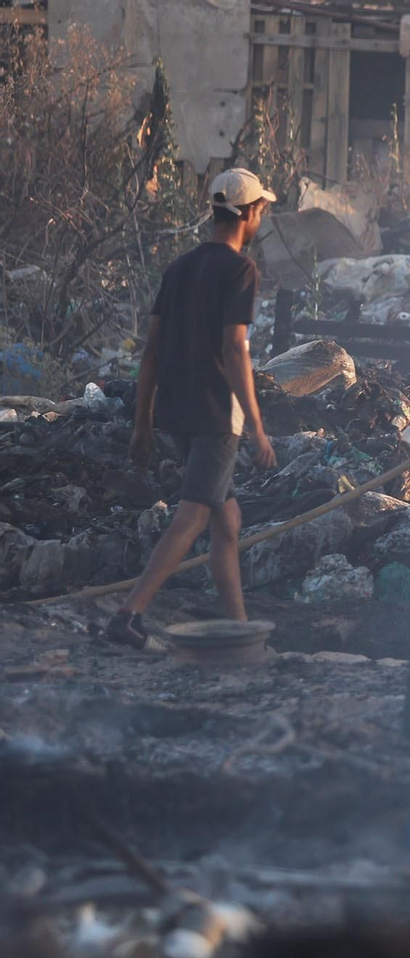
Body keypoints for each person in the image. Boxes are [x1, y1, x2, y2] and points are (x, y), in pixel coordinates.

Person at [105, 169, 280, 648]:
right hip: (217, 416)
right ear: (246, 214)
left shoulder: (178, 269)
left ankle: (241, 633)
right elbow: (235, 350)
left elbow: (151, 350)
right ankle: (130, 613)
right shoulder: (241, 270)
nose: (261, 216)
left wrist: (143, 422)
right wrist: (258, 429)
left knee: (228, 520)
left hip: (177, 410)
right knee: (194, 515)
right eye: (260, 209)